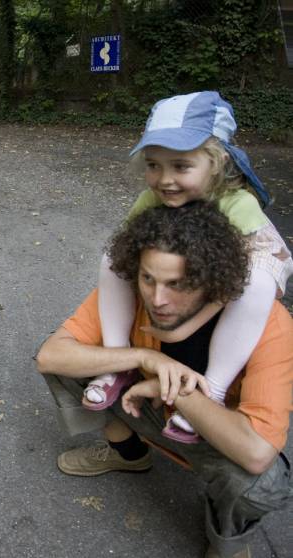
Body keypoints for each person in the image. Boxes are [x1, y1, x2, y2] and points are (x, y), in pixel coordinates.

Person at [36, 202, 292, 558]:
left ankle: (228, 541)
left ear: (214, 283)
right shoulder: (129, 296)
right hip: (141, 405)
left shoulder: (271, 325)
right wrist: (143, 357)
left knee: (262, 483)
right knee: (71, 364)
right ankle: (128, 453)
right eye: (147, 278)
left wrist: (174, 391)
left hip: (212, 433)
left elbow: (257, 452)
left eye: (178, 284)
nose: (157, 299)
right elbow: (51, 355)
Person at [82, 91, 293, 443]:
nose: (165, 179)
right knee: (111, 257)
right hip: (195, 279)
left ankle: (214, 388)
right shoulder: (154, 198)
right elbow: (129, 249)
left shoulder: (236, 203)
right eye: (154, 165)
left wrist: (186, 328)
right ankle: (117, 362)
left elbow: (241, 273)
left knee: (255, 282)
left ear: (218, 162)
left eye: (181, 166)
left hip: (250, 268)